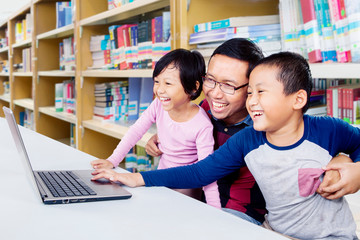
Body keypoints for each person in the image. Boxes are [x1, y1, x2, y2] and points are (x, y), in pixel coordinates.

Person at [92, 52, 360, 239]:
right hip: (272, 232)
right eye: (251, 93)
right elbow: (199, 172)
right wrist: (133, 177)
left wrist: (356, 168)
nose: (252, 101)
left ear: (298, 99)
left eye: (261, 92)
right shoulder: (247, 139)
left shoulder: (328, 130)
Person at [146, 38, 267, 225]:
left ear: (252, 89)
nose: (215, 93)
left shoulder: (264, 127)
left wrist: (331, 163)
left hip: (240, 213)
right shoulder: (202, 109)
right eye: (210, 80)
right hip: (197, 203)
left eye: (228, 85)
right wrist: (164, 137)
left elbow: (318, 135)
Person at [91, 48, 220, 208]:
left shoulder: (202, 125)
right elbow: (136, 131)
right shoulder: (158, 105)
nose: (159, 90)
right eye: (157, 81)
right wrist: (113, 160)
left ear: (193, 87)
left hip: (185, 198)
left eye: (168, 83)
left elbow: (207, 173)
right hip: (158, 184)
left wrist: (216, 211)